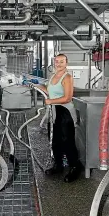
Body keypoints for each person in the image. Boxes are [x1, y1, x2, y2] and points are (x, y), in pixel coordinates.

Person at [30, 54, 82, 183]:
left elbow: (68, 98)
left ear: (66, 63)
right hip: (53, 112)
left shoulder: (67, 77)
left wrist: (50, 101)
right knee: (54, 140)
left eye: (61, 62)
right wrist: (33, 85)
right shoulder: (53, 76)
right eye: (57, 61)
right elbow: (48, 91)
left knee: (67, 141)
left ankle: (75, 167)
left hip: (65, 113)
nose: (58, 64)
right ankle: (58, 165)